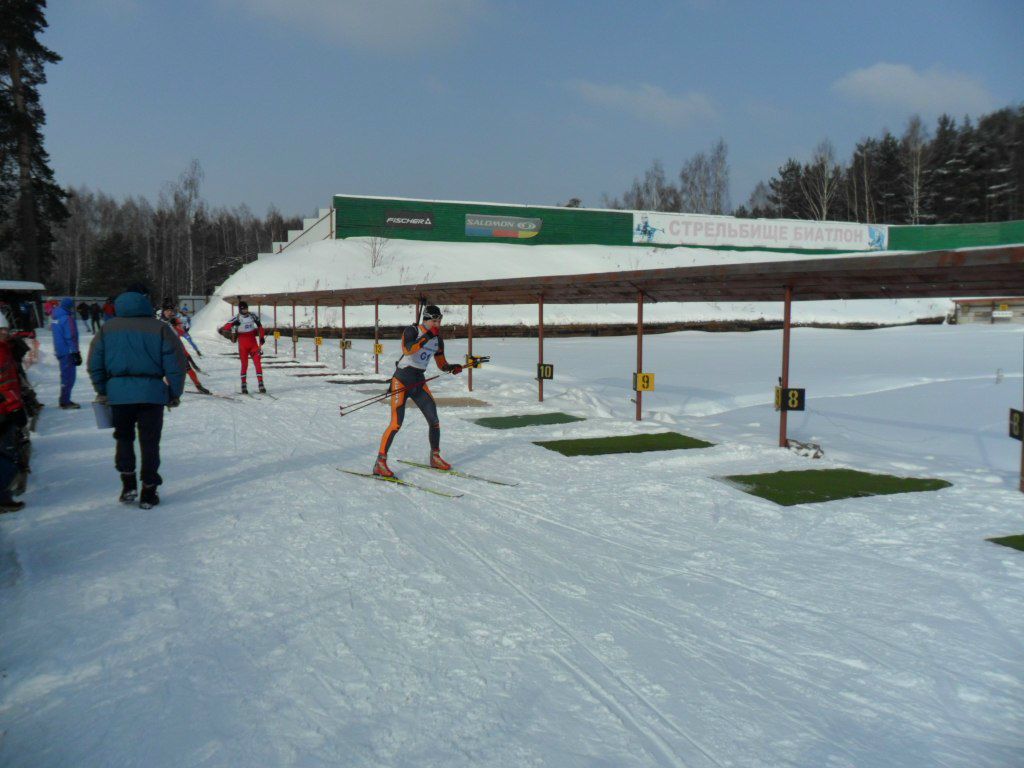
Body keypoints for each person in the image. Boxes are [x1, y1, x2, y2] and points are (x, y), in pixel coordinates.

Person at [88, 286, 186, 509]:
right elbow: (176, 365)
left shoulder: (107, 329)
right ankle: (149, 491)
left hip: (119, 395)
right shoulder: (160, 329)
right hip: (151, 394)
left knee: (123, 438)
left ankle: (128, 484)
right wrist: (173, 393)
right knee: (150, 442)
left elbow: (95, 363)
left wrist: (104, 389)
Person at [374, 305, 462, 478]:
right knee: (396, 424)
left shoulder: (438, 339)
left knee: (434, 420)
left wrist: (452, 367)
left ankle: (435, 457)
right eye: (434, 321)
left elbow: (441, 363)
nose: (437, 324)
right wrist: (427, 336)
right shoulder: (412, 331)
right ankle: (380, 462)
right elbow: (408, 350)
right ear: (426, 320)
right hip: (401, 380)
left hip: (418, 382)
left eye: (439, 321)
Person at [0, 311, 28, 513]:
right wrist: (15, 407)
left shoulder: (5, 349)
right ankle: (3, 496)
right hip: (4, 410)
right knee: (7, 457)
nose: (5, 332)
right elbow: (5, 384)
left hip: (8, 407)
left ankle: (4, 496)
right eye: (1, 329)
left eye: (6, 329)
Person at [159, 305, 210, 394]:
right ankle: (167, 388)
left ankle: (199, 386)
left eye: (171, 311)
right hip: (167, 351)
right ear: (163, 312)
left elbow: (182, 332)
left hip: (178, 350)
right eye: (167, 311)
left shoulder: (175, 320)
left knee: (188, 369)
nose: (169, 312)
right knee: (168, 371)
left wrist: (178, 327)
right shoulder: (160, 323)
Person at [220, 301, 266, 394]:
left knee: (258, 363)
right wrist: (233, 324)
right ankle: (243, 385)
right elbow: (225, 327)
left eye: (246, 309)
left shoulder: (252, 316)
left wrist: (261, 337)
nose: (246, 311)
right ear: (240, 309)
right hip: (243, 344)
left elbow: (260, 327)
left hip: (253, 343)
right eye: (244, 309)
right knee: (244, 365)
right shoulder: (236, 318)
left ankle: (261, 384)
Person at [50, 297, 81, 409]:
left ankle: (64, 399)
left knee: (65, 375)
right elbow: (71, 336)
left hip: (60, 350)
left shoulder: (55, 317)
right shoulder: (67, 318)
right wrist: (75, 352)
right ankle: (65, 401)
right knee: (69, 377)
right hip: (68, 352)